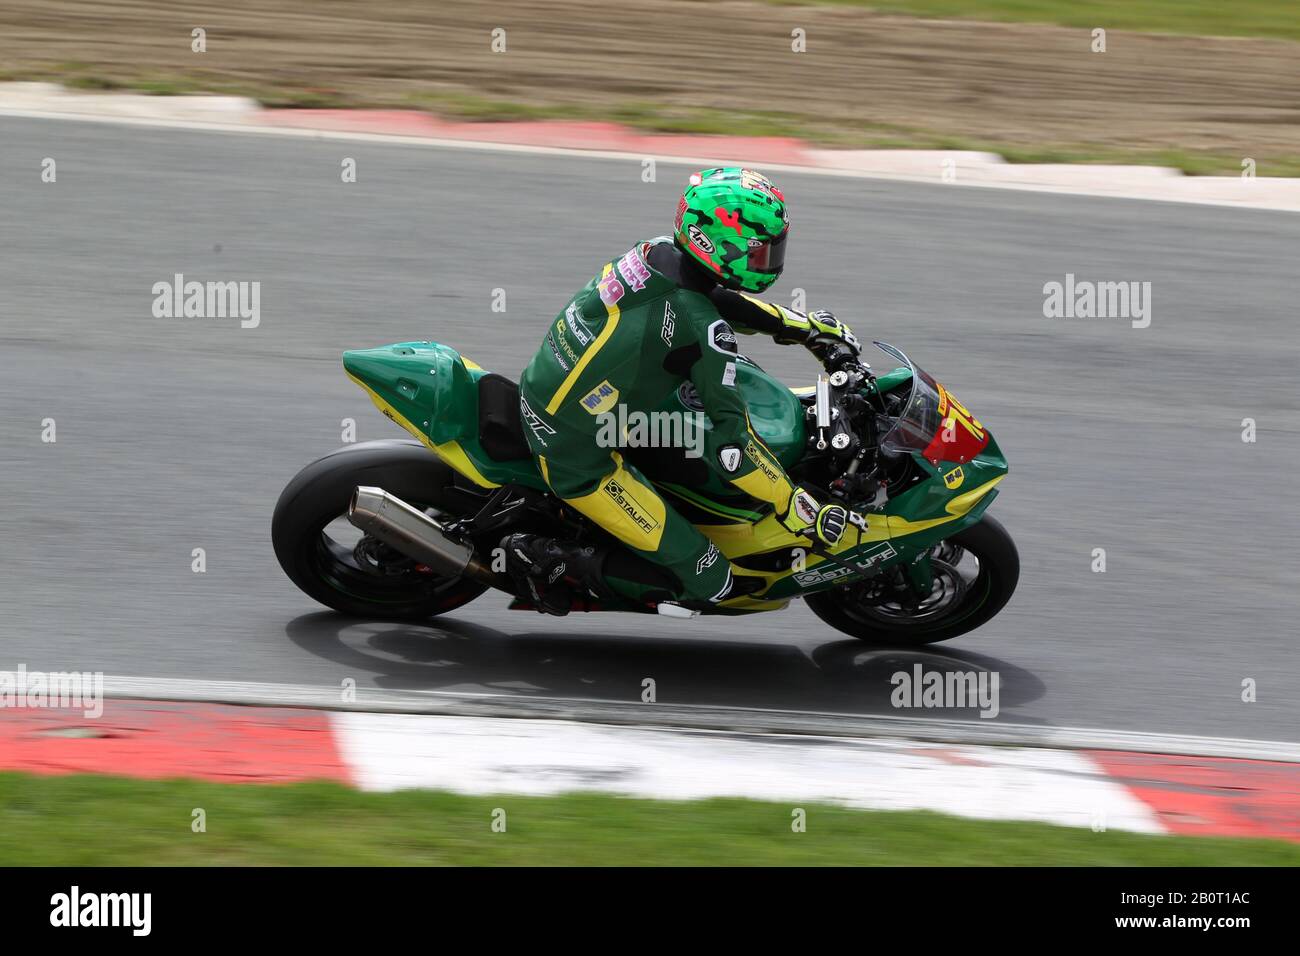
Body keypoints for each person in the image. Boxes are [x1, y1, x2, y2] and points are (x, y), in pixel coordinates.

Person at [505, 167, 862, 615]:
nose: (768, 261)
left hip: (572, 389)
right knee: (713, 578)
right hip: (574, 450)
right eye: (758, 251)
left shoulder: (655, 251)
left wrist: (802, 328)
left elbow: (713, 298)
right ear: (714, 244)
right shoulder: (703, 330)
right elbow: (734, 448)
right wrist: (793, 505)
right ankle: (547, 557)